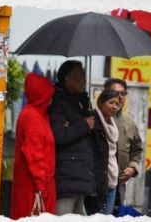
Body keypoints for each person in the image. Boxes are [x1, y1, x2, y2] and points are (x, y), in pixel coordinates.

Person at [48, 60, 96, 215]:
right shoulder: (58, 102)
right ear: (67, 79)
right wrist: (83, 125)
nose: (84, 79)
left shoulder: (81, 101)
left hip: (81, 175)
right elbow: (59, 135)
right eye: (79, 75)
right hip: (67, 176)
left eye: (84, 75)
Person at [10, 73, 56, 220]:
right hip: (34, 186)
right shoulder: (32, 117)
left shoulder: (38, 114)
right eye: (49, 94)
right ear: (42, 95)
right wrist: (40, 186)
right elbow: (34, 154)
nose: (52, 98)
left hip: (39, 183)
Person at [103, 78, 143, 206]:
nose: (120, 98)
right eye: (115, 93)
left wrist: (132, 168)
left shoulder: (129, 123)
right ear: (105, 94)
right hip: (98, 184)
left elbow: (136, 150)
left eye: (123, 93)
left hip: (119, 186)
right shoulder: (95, 117)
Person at [85, 89, 120, 215]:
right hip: (97, 184)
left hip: (112, 182)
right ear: (101, 103)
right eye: (111, 102)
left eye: (117, 104)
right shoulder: (93, 122)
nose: (114, 107)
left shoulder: (114, 126)